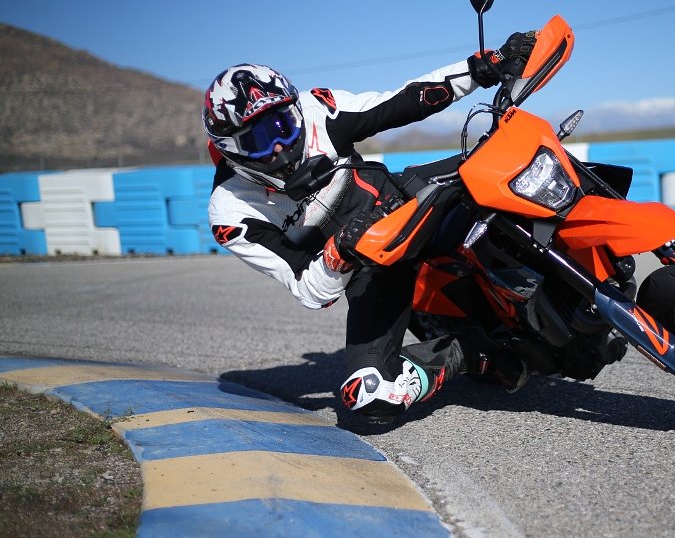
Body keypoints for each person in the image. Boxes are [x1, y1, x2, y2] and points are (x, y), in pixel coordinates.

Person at [204, 33, 536, 423]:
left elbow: (401, 102)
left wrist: (484, 66)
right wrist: (340, 251)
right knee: (370, 397)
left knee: (512, 161)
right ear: (230, 150)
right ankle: (467, 347)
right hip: (370, 266)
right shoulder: (231, 212)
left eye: (282, 125)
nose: (279, 146)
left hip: (407, 200)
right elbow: (310, 290)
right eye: (258, 140)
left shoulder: (317, 110)